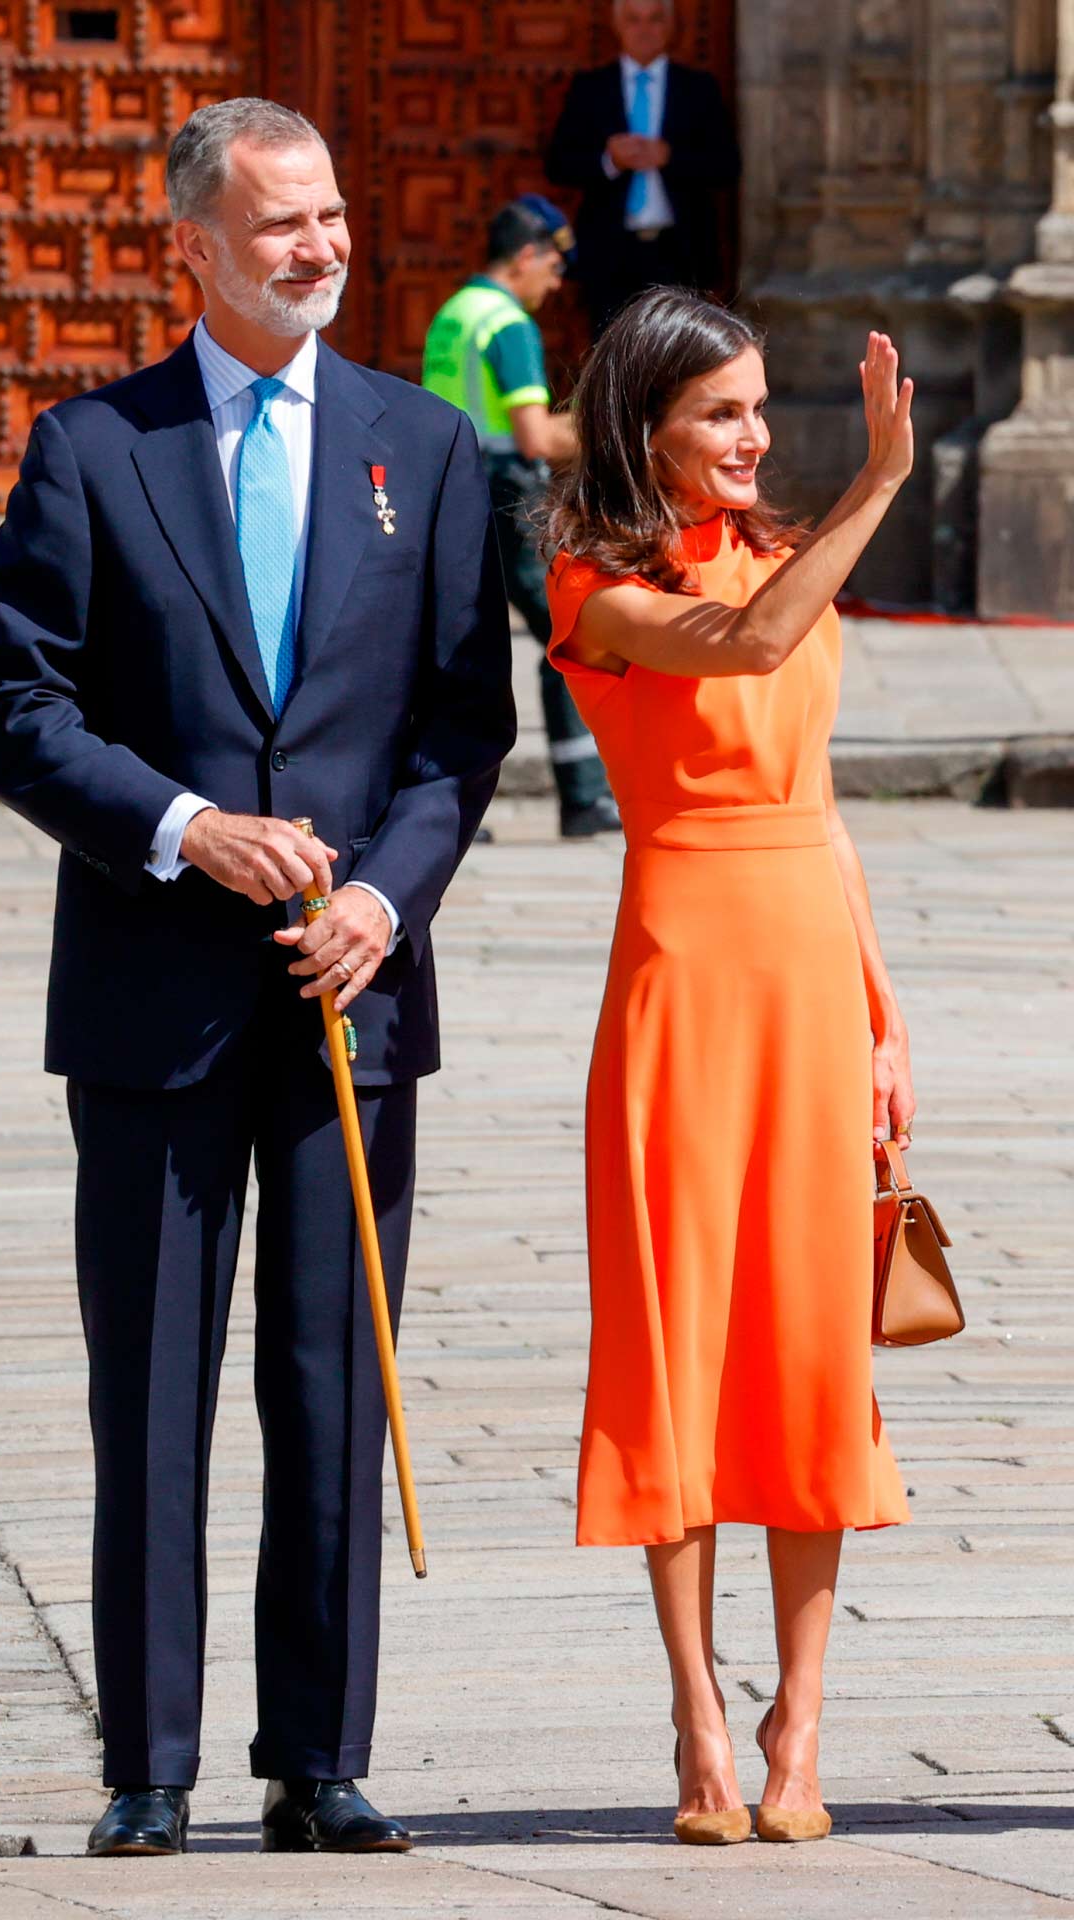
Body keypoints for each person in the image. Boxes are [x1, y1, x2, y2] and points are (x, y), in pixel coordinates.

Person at [0, 97, 514, 1859]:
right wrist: (186, 826)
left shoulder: (425, 446)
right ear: (193, 248)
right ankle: (150, 1766)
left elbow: (461, 729)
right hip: (155, 1003)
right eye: (283, 224)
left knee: (332, 1378)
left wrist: (389, 902)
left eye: (332, 215)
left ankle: (319, 1759)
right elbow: (16, 707)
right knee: (153, 1389)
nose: (322, 247)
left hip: (352, 997)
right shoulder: (92, 449)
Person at [542, 289, 916, 1845]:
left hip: (809, 976)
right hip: (682, 980)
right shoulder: (597, 586)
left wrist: (883, 1016)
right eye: (722, 413)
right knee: (677, 1343)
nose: (755, 437)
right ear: (647, 428)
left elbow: (819, 806)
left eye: (761, 408)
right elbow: (749, 652)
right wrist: (882, 482)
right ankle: (699, 1713)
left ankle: (799, 1723)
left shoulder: (785, 557)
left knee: (812, 1348)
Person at [421, 196, 618, 838]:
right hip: (507, 494)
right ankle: (584, 798)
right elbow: (535, 436)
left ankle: (442, 800)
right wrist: (614, 429)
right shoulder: (507, 322)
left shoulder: (454, 314)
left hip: (452, 490)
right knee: (571, 635)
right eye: (554, 268)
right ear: (526, 256)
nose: (556, 284)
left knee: (458, 649)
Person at [544, 0, 741, 335]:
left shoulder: (698, 88)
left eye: (654, 20)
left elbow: (727, 165)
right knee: (612, 350)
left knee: (679, 351)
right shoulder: (591, 88)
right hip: (611, 253)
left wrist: (670, 157)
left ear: (670, 26)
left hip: (680, 252)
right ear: (618, 27)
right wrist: (610, 161)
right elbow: (559, 165)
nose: (644, 30)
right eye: (634, 20)